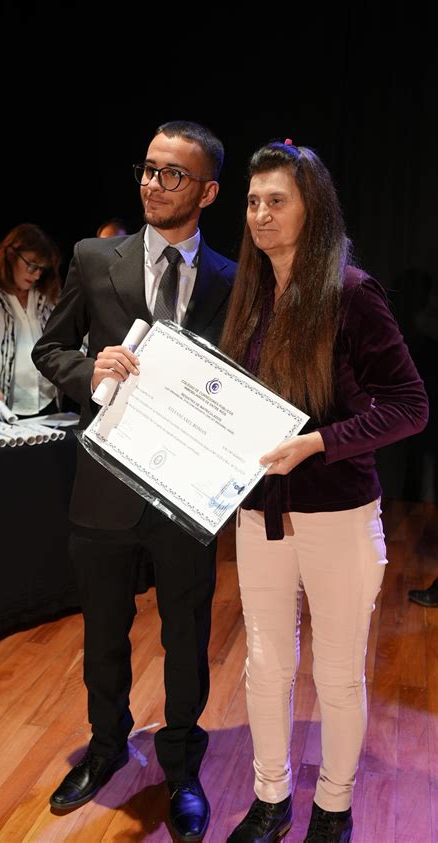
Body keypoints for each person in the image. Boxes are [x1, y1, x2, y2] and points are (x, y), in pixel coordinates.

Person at [220, 140, 429, 843]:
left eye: (277, 200)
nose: (260, 213)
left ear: (313, 209)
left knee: (338, 672)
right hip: (261, 515)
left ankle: (333, 805)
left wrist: (318, 442)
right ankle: (270, 796)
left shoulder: (352, 292)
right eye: (253, 201)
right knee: (265, 663)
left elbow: (410, 404)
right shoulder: (249, 295)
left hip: (338, 512)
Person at [32, 120, 236, 840]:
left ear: (208, 190)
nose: (153, 184)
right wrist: (91, 372)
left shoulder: (231, 279)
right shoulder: (94, 258)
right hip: (105, 485)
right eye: (148, 170)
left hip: (188, 492)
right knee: (105, 633)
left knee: (186, 635)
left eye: (172, 174)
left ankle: (181, 764)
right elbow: (50, 349)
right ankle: (108, 746)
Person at [0, 223, 61, 418]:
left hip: (47, 408)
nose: (36, 274)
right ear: (10, 255)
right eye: (32, 265)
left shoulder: (47, 295)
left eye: (41, 269)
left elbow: (65, 340)